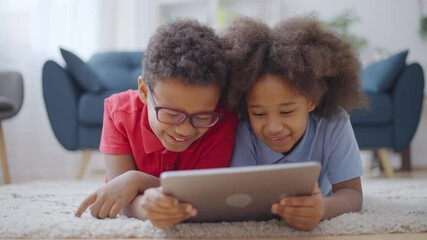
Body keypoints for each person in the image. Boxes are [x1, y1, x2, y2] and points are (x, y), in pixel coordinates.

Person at [75, 19, 238, 228]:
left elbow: (203, 194)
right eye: (171, 113)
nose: (184, 129)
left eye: (202, 116)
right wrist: (148, 209)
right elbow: (120, 193)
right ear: (143, 91)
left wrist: (137, 181)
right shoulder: (118, 113)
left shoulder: (222, 121)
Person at [223, 15, 368, 231]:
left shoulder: (334, 122)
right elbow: (236, 197)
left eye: (287, 111)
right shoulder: (243, 129)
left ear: (312, 100)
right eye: (259, 114)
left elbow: (352, 193)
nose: (273, 127)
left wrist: (322, 209)